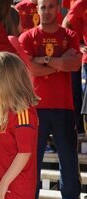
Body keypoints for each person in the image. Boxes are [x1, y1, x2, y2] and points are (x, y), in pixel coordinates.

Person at [19, 0, 82, 199]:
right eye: (43, 7)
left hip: (64, 107)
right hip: (35, 106)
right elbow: (31, 68)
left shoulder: (69, 35)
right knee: (32, 163)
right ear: (37, 9)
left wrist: (44, 59)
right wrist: (60, 62)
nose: (46, 11)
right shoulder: (27, 37)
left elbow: (75, 65)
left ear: (58, 8)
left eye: (51, 6)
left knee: (69, 163)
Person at [0, 52, 39, 199]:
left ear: (6, 86)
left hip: (15, 188)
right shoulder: (6, 111)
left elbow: (24, 153)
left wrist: (4, 183)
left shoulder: (23, 113)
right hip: (2, 185)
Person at [62, 0, 87, 134]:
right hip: (85, 61)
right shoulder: (81, 4)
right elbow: (66, 24)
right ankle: (80, 131)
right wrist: (78, 45)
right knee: (80, 99)